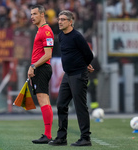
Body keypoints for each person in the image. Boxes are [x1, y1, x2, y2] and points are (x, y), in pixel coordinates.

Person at [48, 10, 94, 146]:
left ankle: (85, 138)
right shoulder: (61, 36)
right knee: (61, 104)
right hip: (67, 75)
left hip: (78, 74)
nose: (60, 22)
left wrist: (85, 65)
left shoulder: (77, 36)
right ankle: (61, 138)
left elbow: (89, 55)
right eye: (59, 19)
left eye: (63, 19)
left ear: (70, 22)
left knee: (80, 106)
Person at [27, 5, 54, 144]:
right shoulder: (40, 30)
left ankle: (48, 135)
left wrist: (33, 66)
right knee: (44, 101)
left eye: (35, 14)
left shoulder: (46, 31)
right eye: (31, 14)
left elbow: (48, 54)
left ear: (42, 14)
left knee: (43, 100)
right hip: (40, 68)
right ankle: (47, 134)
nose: (32, 16)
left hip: (42, 68)